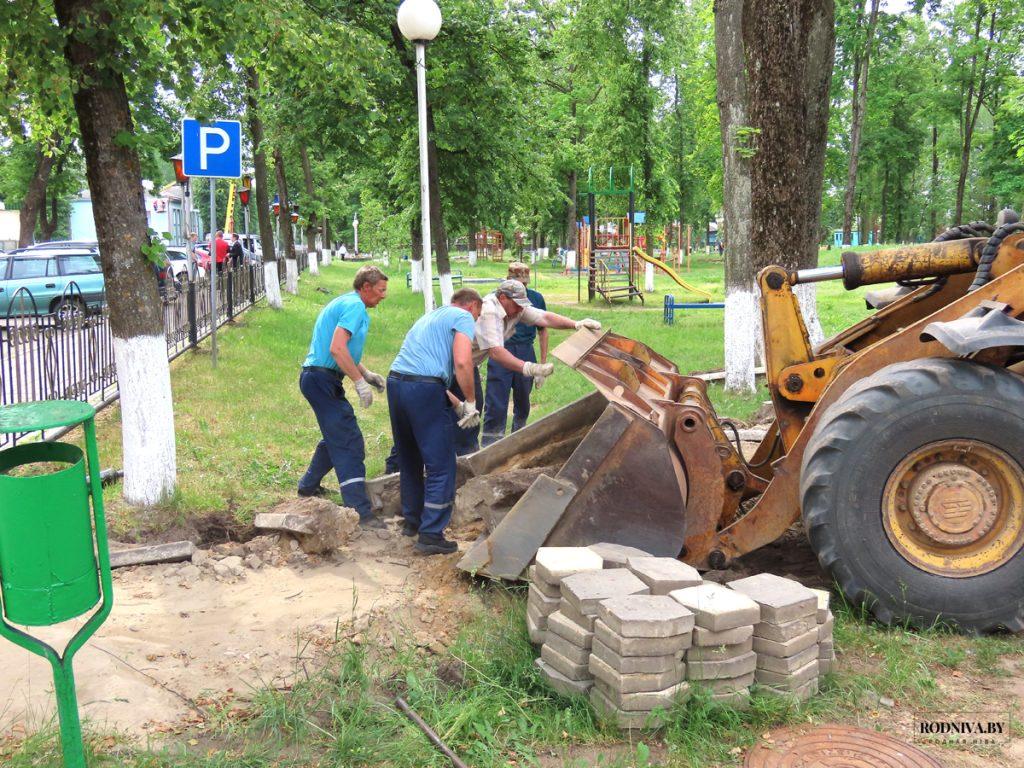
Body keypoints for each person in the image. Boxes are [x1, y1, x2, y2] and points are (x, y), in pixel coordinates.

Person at [453, 279, 601, 455]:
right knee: (460, 416)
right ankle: (462, 457)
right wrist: (529, 368)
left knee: (472, 413)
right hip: (452, 366)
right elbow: (496, 352)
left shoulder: (515, 308)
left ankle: (468, 456)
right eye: (517, 304)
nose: (520, 309)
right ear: (503, 297)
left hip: (469, 365)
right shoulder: (490, 311)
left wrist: (576, 324)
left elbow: (544, 317)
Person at [387, 289, 483, 554]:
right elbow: (462, 363)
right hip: (423, 388)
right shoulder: (463, 317)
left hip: (396, 383)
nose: (476, 320)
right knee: (441, 464)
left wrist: (457, 405)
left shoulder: (430, 317)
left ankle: (413, 522)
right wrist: (471, 401)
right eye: (479, 314)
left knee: (410, 458)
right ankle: (431, 534)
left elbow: (423, 372)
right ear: (472, 306)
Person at [298, 265, 389, 529]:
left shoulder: (350, 303)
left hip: (319, 378)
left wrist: (366, 374)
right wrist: (358, 383)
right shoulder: (355, 306)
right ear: (366, 287)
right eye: (381, 290)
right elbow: (337, 349)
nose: (383, 296)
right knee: (349, 440)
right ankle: (359, 510)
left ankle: (308, 487)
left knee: (336, 435)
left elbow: (344, 350)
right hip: (321, 379)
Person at [481, 263, 548, 447]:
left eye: (524, 284)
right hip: (501, 351)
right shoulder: (497, 300)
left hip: (526, 350)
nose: (522, 287)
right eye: (518, 283)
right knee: (496, 402)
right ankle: (490, 445)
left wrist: (542, 365)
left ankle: (518, 443)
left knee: (523, 402)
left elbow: (543, 330)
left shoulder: (536, 298)